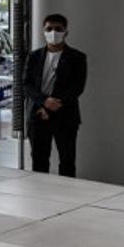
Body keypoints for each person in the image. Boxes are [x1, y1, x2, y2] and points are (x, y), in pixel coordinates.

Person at [23, 13, 87, 177]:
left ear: (66, 32)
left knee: (67, 162)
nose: (53, 32)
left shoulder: (77, 58)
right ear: (43, 31)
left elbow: (77, 88)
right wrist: (44, 101)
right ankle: (40, 197)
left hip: (65, 116)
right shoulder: (34, 56)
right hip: (37, 115)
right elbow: (26, 84)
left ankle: (67, 198)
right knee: (39, 162)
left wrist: (51, 108)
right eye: (49, 28)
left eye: (58, 29)